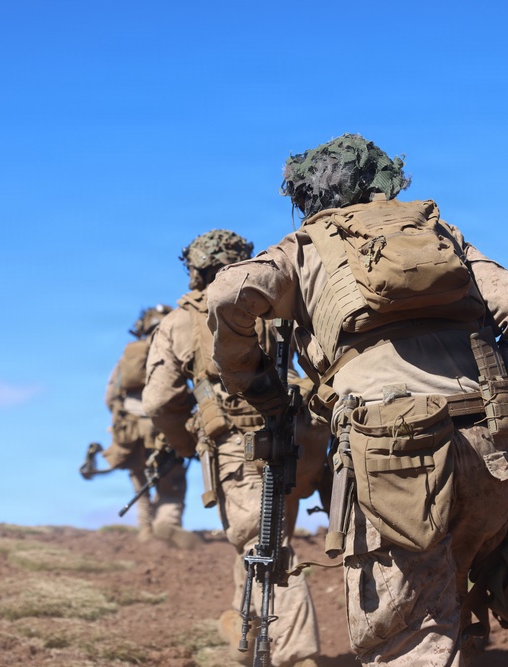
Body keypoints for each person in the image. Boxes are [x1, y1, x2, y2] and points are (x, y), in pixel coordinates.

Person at [206, 134, 508, 666]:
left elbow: (227, 295)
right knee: (450, 593)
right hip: (492, 446)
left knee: (407, 635)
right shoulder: (440, 234)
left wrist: (254, 384)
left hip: (396, 454)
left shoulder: (303, 247)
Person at [143, 230, 320, 667]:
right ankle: (245, 638)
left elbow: (159, 401)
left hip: (234, 448)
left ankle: (296, 657)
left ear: (194, 270)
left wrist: (187, 443)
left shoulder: (179, 322)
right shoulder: (273, 306)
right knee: (261, 538)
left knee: (265, 544)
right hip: (293, 438)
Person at [98, 305, 197, 548]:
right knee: (171, 483)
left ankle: (145, 530)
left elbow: (110, 397)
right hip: (166, 428)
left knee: (139, 480)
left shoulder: (128, 358)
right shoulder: (175, 351)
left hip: (131, 431)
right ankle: (167, 524)